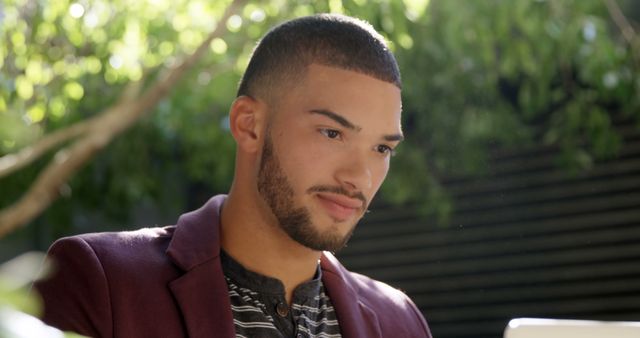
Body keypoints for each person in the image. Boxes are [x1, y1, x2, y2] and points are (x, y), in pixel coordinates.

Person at [33, 13, 432, 338]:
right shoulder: (101, 282)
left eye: (382, 148)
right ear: (249, 124)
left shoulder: (401, 322)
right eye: (332, 133)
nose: (359, 177)